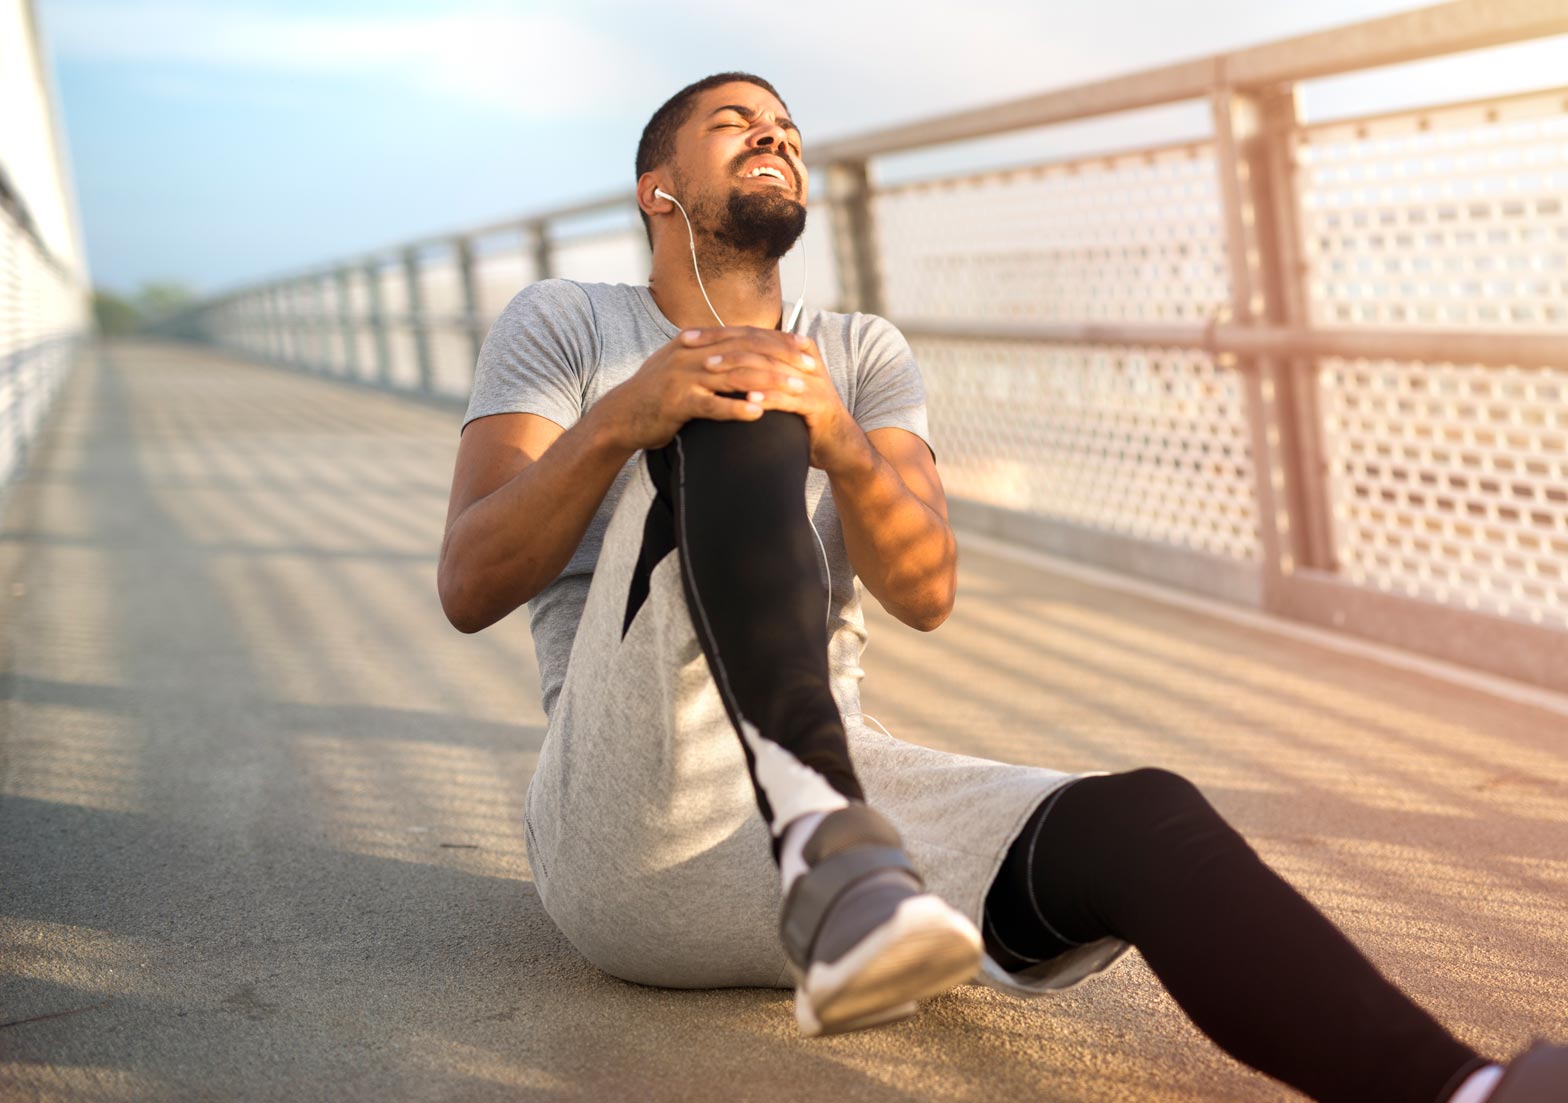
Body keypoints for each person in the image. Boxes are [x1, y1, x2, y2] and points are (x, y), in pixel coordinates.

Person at [438, 71, 1565, 1102]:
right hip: (633, 814)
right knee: (735, 383)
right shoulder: (566, 322)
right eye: (735, 123)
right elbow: (471, 579)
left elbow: (923, 590)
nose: (772, 134)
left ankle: (1455, 1091)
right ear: (656, 189)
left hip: (850, 832)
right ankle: (822, 832)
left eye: (785, 127)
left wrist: (839, 439)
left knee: (1143, 817)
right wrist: (624, 416)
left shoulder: (861, 349)